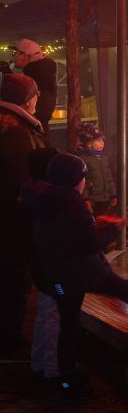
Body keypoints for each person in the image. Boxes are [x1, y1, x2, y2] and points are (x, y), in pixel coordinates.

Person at [31, 153, 128, 394]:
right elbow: (88, 244)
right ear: (75, 179)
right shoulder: (73, 204)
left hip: (60, 275)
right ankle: (64, 377)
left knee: (75, 315)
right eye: (83, 177)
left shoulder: (46, 200)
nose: (85, 182)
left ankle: (48, 370)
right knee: (70, 323)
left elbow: (63, 238)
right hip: (77, 274)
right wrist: (113, 229)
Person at [0, 73, 46, 355]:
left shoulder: (9, 126)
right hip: (12, 223)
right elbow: (24, 182)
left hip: (8, 220)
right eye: (35, 93)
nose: (38, 98)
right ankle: (8, 342)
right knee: (14, 280)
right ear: (27, 99)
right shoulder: (18, 134)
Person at [23, 147, 60, 383]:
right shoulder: (48, 198)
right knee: (56, 314)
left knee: (45, 313)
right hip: (53, 271)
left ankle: (38, 364)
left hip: (40, 267)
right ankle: (54, 370)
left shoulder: (30, 191)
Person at [12, 39, 58, 131]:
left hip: (32, 126)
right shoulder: (40, 71)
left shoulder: (36, 75)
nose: (14, 57)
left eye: (15, 53)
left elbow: (23, 100)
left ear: (25, 55)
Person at [77, 122, 116, 215]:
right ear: (89, 143)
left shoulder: (103, 158)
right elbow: (82, 181)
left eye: (102, 140)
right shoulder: (83, 159)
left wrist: (113, 194)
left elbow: (109, 177)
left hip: (106, 198)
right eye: (98, 141)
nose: (102, 143)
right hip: (93, 200)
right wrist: (85, 199)